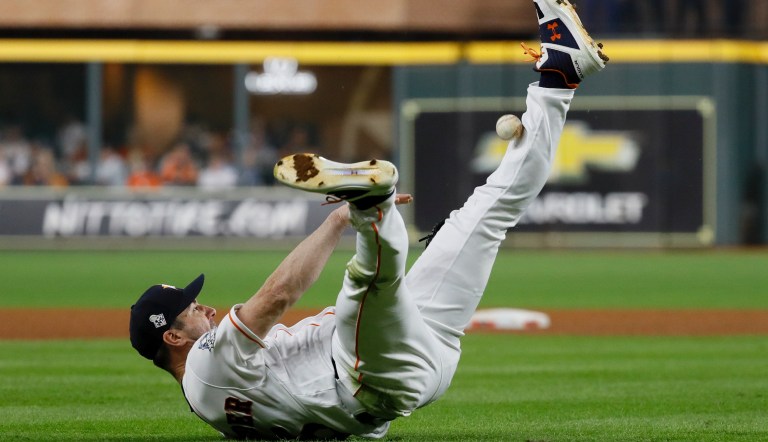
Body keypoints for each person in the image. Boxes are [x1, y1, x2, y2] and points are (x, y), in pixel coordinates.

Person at [129, 0, 608, 439]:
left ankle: (558, 81)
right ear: (172, 337)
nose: (206, 308)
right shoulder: (206, 368)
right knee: (364, 285)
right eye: (191, 309)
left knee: (487, 212)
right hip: (372, 373)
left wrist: (338, 221)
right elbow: (278, 296)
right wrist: (341, 221)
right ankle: (371, 203)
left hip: (413, 356)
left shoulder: (218, 406)